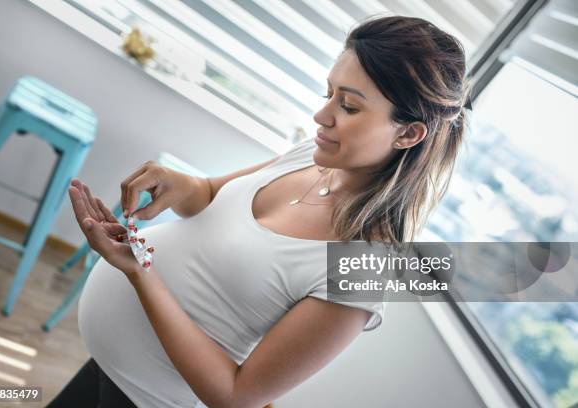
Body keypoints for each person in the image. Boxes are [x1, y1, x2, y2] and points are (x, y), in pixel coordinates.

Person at [47, 15, 471, 408]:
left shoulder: (361, 270)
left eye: (349, 106)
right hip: (110, 365)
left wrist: (141, 273)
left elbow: (235, 396)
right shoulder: (314, 156)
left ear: (409, 133)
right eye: (329, 94)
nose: (321, 115)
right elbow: (213, 194)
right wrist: (180, 184)